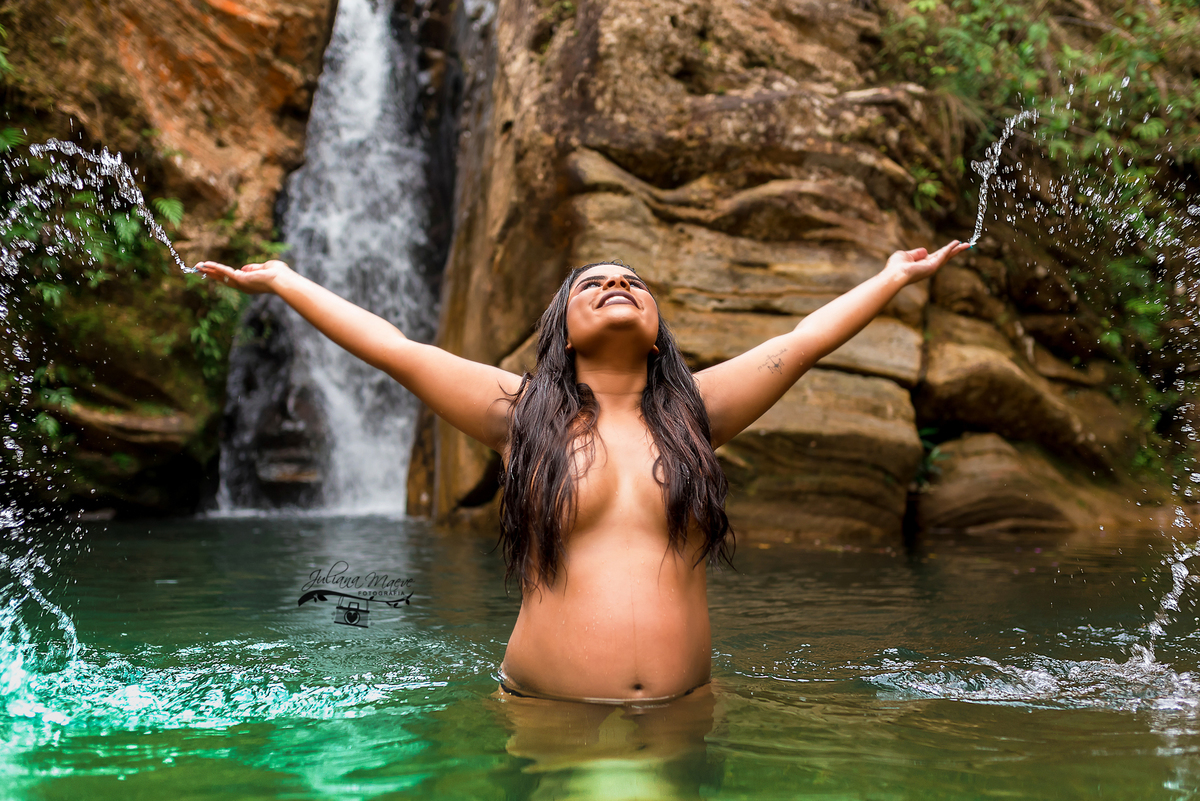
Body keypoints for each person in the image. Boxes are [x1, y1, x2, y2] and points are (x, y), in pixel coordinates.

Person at [197, 239, 969, 705]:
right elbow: (398, 350)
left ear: (657, 331)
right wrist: (285, 281)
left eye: (633, 281)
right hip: (547, 715)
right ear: (563, 333)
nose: (616, 285)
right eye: (592, 284)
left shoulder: (697, 413)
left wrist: (891, 277)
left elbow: (801, 343)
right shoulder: (519, 412)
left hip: (687, 711)